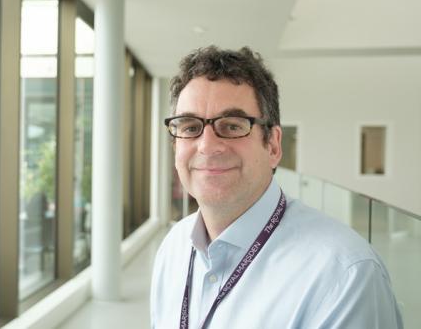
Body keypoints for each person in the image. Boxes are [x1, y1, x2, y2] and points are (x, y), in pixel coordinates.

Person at [150, 45, 403, 329]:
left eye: (232, 126)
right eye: (190, 127)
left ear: (273, 145)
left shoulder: (344, 277)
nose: (207, 146)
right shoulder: (174, 247)